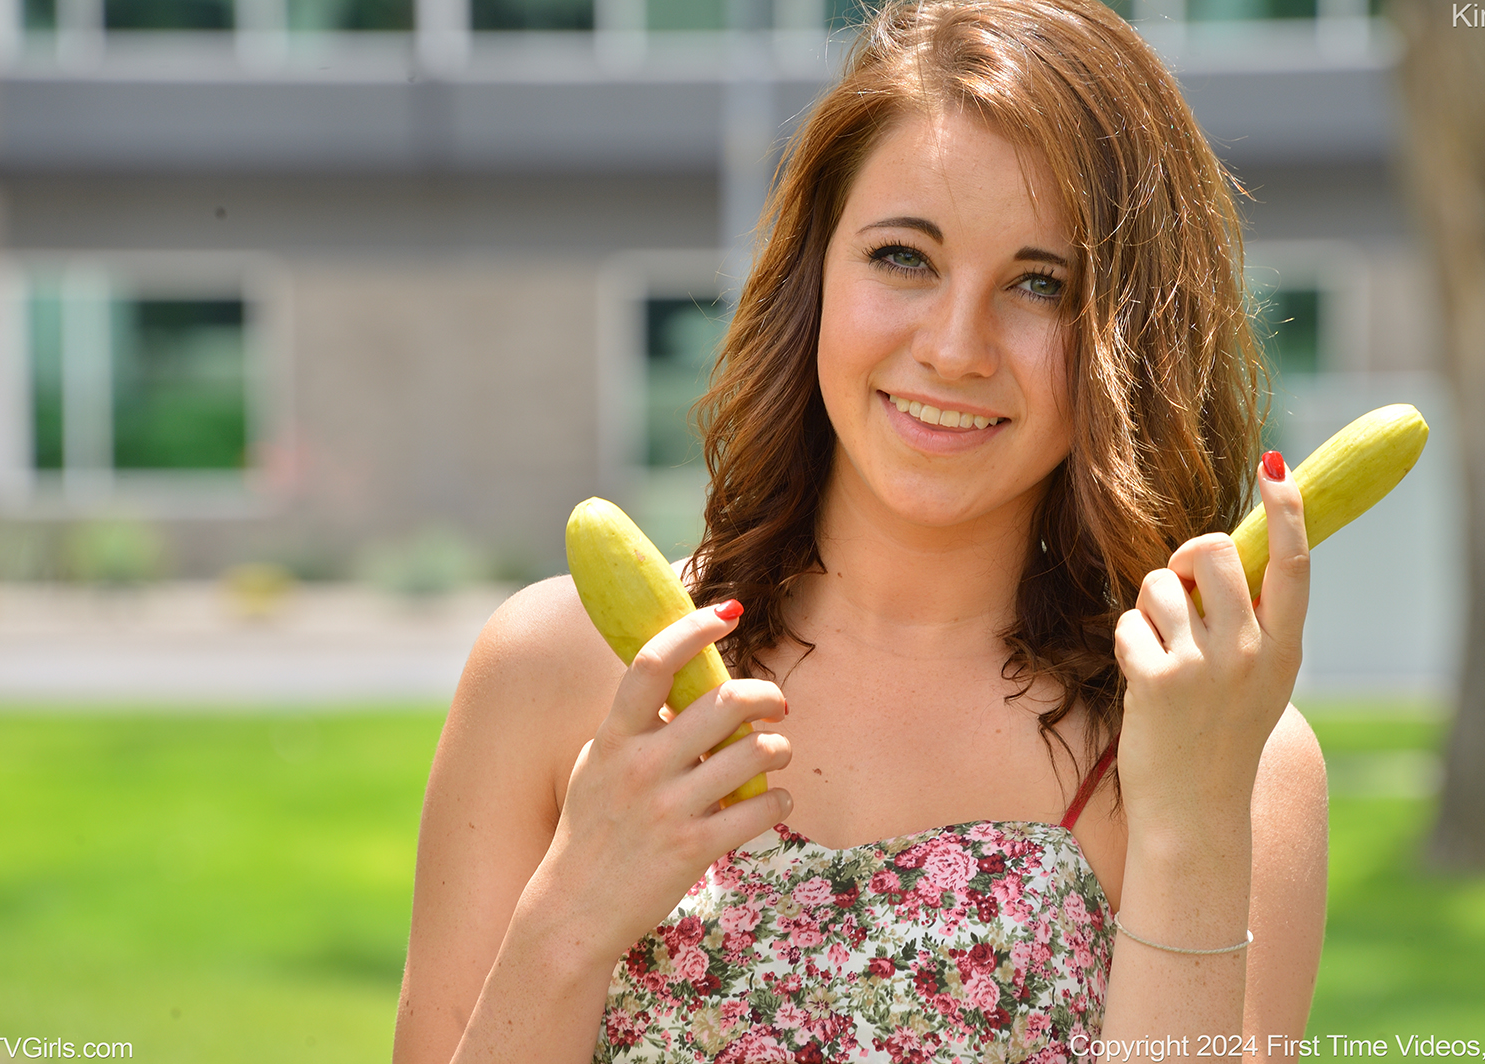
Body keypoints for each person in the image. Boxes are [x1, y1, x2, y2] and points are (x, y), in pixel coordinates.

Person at [392, 0, 1329, 1059]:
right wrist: (569, 916)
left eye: (1039, 284)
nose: (955, 347)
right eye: (903, 257)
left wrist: (1192, 823)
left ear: (1132, 340)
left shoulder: (1222, 753)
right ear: (815, 273)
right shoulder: (563, 668)